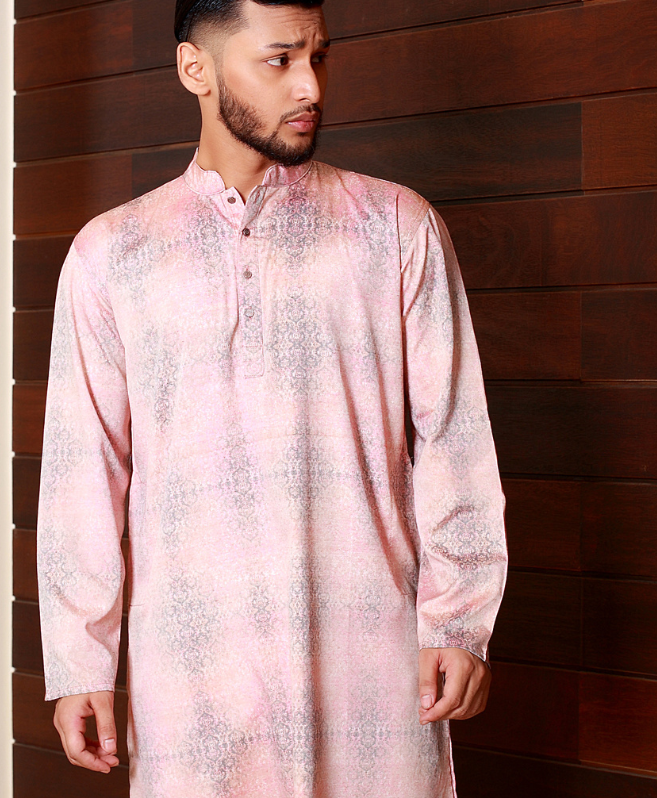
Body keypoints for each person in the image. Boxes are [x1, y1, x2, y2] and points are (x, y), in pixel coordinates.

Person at [35, 0, 508, 794]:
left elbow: (455, 438)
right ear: (196, 68)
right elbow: (84, 473)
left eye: (318, 57)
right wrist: (80, 659)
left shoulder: (395, 228)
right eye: (279, 60)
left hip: (369, 673)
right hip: (193, 680)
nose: (310, 85)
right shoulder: (113, 254)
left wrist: (460, 620)